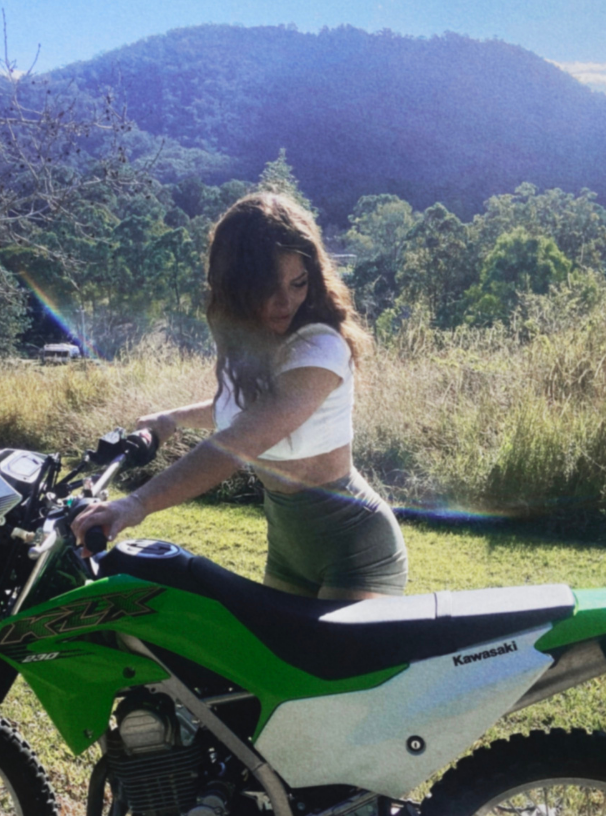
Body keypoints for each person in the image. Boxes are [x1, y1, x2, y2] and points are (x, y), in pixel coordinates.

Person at [73, 191, 407, 601]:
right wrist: (172, 420)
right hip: (289, 551)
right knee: (273, 666)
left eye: (298, 282)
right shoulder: (261, 343)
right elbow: (239, 412)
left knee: (327, 664)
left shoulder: (320, 348)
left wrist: (136, 504)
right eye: (268, 288)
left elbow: (242, 440)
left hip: (356, 550)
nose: (285, 301)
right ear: (234, 287)